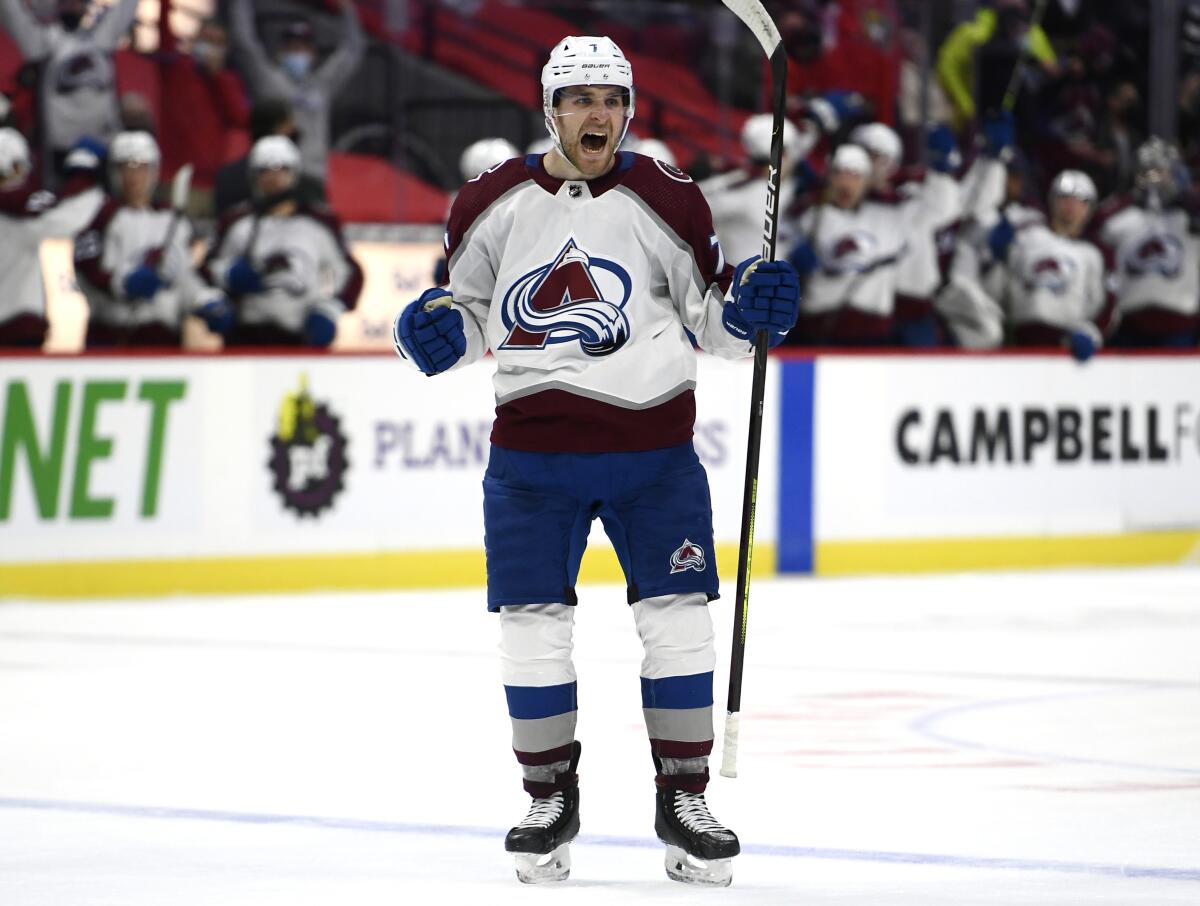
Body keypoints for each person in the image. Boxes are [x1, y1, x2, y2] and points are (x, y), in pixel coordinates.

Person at [390, 35, 800, 887]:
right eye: (580, 99)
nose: (597, 115)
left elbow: (714, 322)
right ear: (550, 108)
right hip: (533, 460)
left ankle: (683, 796)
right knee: (532, 630)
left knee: (681, 619)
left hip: (653, 453)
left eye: (611, 99)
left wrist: (754, 310)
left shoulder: (666, 196)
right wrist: (427, 334)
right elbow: (467, 316)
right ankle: (548, 798)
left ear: (629, 110)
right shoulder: (491, 199)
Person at [785, 140, 958, 346]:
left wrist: (940, 175)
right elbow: (772, 244)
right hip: (817, 330)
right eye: (839, 174)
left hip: (874, 333)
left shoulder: (888, 216)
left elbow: (941, 211)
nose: (846, 183)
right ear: (828, 177)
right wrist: (790, 262)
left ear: (866, 180)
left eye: (854, 175)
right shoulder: (806, 215)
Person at [203, 135, 363, 347]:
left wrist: (329, 310)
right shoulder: (236, 221)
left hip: (300, 337)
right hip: (244, 337)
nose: (274, 179)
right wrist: (226, 278)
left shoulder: (319, 222)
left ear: (294, 173)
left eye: (281, 170)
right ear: (253, 176)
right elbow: (205, 271)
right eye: (265, 171)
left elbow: (351, 273)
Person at [73, 131, 229, 347]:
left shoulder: (172, 220)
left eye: (141, 167)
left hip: (162, 335)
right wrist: (124, 283)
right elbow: (87, 270)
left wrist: (205, 300)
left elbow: (184, 275)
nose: (134, 176)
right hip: (111, 334)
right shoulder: (99, 215)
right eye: (126, 167)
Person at [849, 120, 964, 346]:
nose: (869, 165)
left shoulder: (911, 196)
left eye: (875, 156)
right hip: (863, 316)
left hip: (915, 312)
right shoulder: (843, 205)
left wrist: (941, 171)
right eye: (863, 156)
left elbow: (945, 209)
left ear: (890, 160)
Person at [0, 0, 138, 185]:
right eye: (67, 2)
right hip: (61, 148)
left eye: (77, 2)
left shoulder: (101, 39)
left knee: (103, 204)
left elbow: (127, 7)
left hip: (102, 144)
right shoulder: (45, 42)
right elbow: (12, 14)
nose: (72, 6)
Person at [229, 0, 365, 183]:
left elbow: (353, 50)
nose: (297, 53)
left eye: (303, 48)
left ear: (312, 55)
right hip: (275, 177)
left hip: (313, 177)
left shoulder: (322, 85)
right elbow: (243, 42)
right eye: (292, 48)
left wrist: (347, 9)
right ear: (281, 52)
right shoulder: (267, 80)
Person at [985, 168, 1113, 360]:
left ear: (1090, 207)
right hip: (1018, 338)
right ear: (1052, 201)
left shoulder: (1093, 255)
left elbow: (1099, 308)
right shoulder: (1027, 238)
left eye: (1079, 199)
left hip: (1067, 347)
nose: (1071, 204)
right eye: (1064, 197)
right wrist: (997, 259)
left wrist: (1090, 334)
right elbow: (997, 291)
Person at [1091, 138, 1200, 347]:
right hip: (1131, 323)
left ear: (1175, 172)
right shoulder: (1121, 216)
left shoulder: (1189, 216)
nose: (1154, 179)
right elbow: (1093, 233)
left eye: (1161, 171)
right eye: (1148, 171)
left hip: (1181, 324)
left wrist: (1188, 201)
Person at [0, 126, 104, 346]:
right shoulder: (24, 221)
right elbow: (72, 214)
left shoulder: (23, 214)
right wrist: (83, 175)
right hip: (16, 329)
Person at [156, 14, 250, 215]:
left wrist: (217, 78)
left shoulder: (228, 81)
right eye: (207, 40)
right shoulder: (178, 68)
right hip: (169, 177)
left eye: (218, 43)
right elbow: (164, 35)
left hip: (205, 184)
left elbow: (241, 118)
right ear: (196, 41)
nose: (211, 48)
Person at [699, 112, 801, 264]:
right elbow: (690, 203)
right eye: (764, 161)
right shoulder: (738, 190)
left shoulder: (795, 185)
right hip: (742, 281)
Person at [213, 97, 325, 218]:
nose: (295, 128)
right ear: (278, 128)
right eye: (289, 123)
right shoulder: (308, 187)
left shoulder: (226, 177)